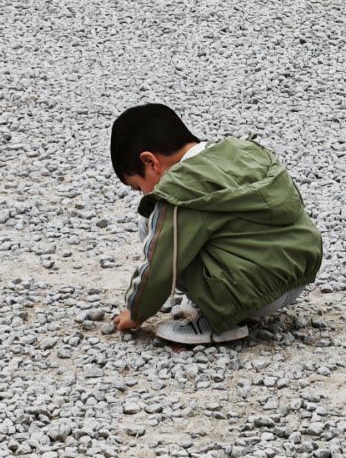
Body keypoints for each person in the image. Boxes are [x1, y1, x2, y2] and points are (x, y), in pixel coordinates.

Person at [109, 103, 323, 347]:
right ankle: (235, 307)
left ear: (151, 162)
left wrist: (135, 312)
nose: (142, 192)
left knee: (152, 220)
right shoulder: (241, 150)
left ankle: (214, 321)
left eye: (138, 186)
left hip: (252, 294)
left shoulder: (181, 189)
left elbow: (161, 264)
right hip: (299, 274)